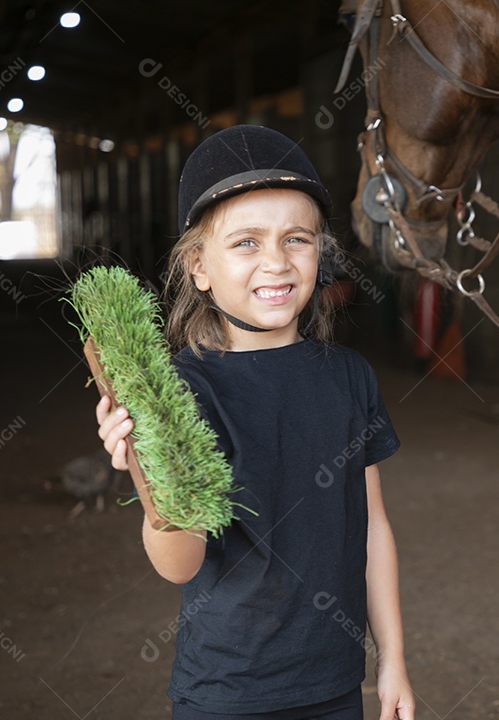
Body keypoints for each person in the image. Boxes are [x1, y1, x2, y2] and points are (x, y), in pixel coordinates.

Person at [95, 125, 414, 720]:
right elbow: (179, 564)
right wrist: (152, 476)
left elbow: (371, 527)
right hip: (227, 691)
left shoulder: (349, 378)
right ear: (198, 267)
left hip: (334, 684)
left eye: (297, 239)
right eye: (246, 242)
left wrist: (391, 657)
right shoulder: (181, 393)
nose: (276, 261)